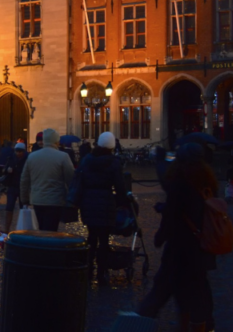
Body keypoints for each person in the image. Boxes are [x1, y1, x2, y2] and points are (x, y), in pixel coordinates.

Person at [129, 142, 219, 329]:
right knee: (196, 288)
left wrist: (160, 236)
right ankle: (201, 324)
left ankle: (136, 322)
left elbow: (174, 213)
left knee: (163, 287)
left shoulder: (181, 182)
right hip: (200, 246)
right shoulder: (207, 181)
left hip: (180, 247)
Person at [73, 131, 130, 285]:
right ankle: (102, 272)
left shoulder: (86, 160)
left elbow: (80, 180)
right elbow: (119, 185)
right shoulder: (114, 162)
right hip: (106, 202)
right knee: (104, 240)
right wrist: (122, 201)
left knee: (91, 237)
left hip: (89, 202)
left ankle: (89, 269)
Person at [20, 128, 75, 231]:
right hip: (55, 200)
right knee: (51, 229)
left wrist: (24, 199)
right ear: (56, 141)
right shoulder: (63, 156)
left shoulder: (32, 156)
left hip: (37, 200)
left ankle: (41, 245)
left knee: (41, 227)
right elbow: (71, 179)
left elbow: (24, 180)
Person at [2, 142, 29, 234]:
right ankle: (6, 228)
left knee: (23, 209)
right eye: (17, 151)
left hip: (23, 187)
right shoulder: (11, 158)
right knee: (9, 208)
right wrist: (7, 170)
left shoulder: (27, 159)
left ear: (24, 151)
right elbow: (5, 169)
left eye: (20, 151)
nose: (18, 153)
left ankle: (23, 229)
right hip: (12, 186)